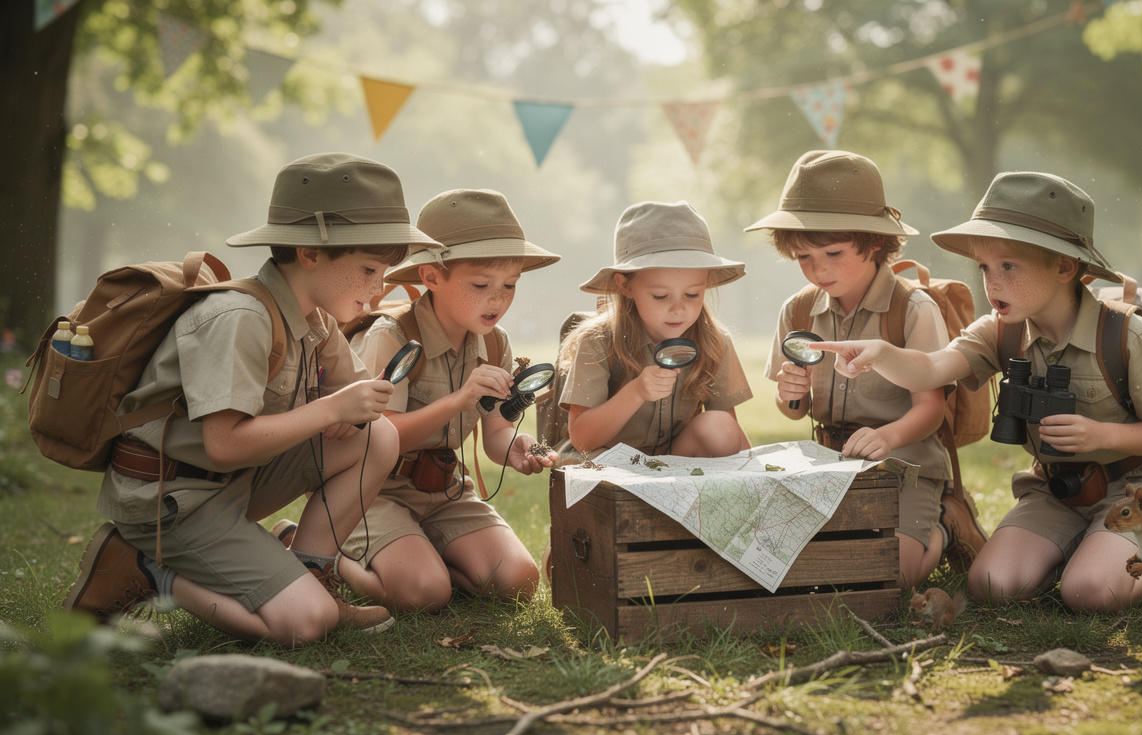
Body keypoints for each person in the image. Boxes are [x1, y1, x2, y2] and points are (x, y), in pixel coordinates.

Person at [63, 153, 442, 645]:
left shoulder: (316, 320)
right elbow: (222, 444)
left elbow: (361, 410)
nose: (377, 290)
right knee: (306, 626)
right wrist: (332, 409)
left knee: (379, 438)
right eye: (369, 269)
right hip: (173, 500)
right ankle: (142, 568)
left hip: (234, 484)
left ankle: (311, 571)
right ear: (310, 254)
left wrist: (355, 409)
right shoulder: (239, 316)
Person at [812, 171, 1142, 613]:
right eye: (985, 268)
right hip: (1059, 492)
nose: (992, 283)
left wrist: (1101, 436)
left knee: (1090, 593)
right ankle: (1086, 548)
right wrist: (881, 352)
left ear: (1065, 267)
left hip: (1138, 491)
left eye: (1009, 266)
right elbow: (932, 368)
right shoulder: (1000, 332)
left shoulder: (1128, 336)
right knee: (990, 585)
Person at [314, 189, 558, 612]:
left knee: (518, 581)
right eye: (481, 284)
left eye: (510, 285)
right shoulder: (392, 337)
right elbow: (379, 437)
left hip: (444, 489)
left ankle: (421, 554)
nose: (498, 299)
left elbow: (495, 433)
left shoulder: (495, 343)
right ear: (430, 277)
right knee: (423, 593)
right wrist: (459, 399)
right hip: (374, 491)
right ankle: (318, 554)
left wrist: (514, 450)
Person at [747, 149, 970, 589]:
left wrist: (887, 437)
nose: (818, 270)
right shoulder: (798, 311)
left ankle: (944, 524)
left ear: (874, 241)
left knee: (893, 577)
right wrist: (790, 393)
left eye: (832, 252)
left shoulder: (911, 308)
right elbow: (793, 410)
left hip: (905, 460)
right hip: (831, 461)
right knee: (808, 566)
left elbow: (932, 409)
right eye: (803, 257)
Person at [556, 200, 752, 462]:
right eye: (661, 296)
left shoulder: (715, 342)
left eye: (693, 294)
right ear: (625, 285)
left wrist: (759, 478)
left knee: (719, 425)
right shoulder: (598, 342)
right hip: (608, 465)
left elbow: (729, 435)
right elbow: (581, 439)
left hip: (676, 464)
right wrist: (635, 392)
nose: (678, 309)